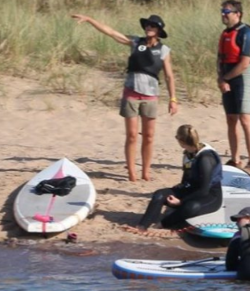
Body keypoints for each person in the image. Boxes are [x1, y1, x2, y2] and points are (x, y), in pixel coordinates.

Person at [71, 12, 177, 182]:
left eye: (153, 26)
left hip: (151, 96)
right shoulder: (136, 42)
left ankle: (146, 171)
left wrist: (173, 99)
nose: (149, 28)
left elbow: (169, 76)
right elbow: (111, 32)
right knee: (132, 135)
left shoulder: (164, 50)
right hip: (131, 93)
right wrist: (90, 20)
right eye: (147, 25)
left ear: (159, 30)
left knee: (149, 136)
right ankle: (132, 172)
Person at [128, 124, 224, 234]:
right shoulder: (188, 153)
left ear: (181, 141)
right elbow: (186, 179)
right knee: (159, 195)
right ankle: (142, 227)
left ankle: (162, 224)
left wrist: (180, 201)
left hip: (210, 195)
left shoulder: (205, 158)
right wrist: (177, 192)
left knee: (190, 207)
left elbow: (204, 190)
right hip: (191, 189)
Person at [217, 0, 250, 170]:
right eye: (222, 11)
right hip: (227, 76)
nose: (223, 14)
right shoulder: (225, 34)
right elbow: (220, 58)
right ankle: (235, 159)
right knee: (231, 119)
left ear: (237, 14)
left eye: (226, 11)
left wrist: (225, 78)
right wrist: (220, 78)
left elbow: (244, 63)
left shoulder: (247, 33)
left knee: (245, 119)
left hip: (242, 77)